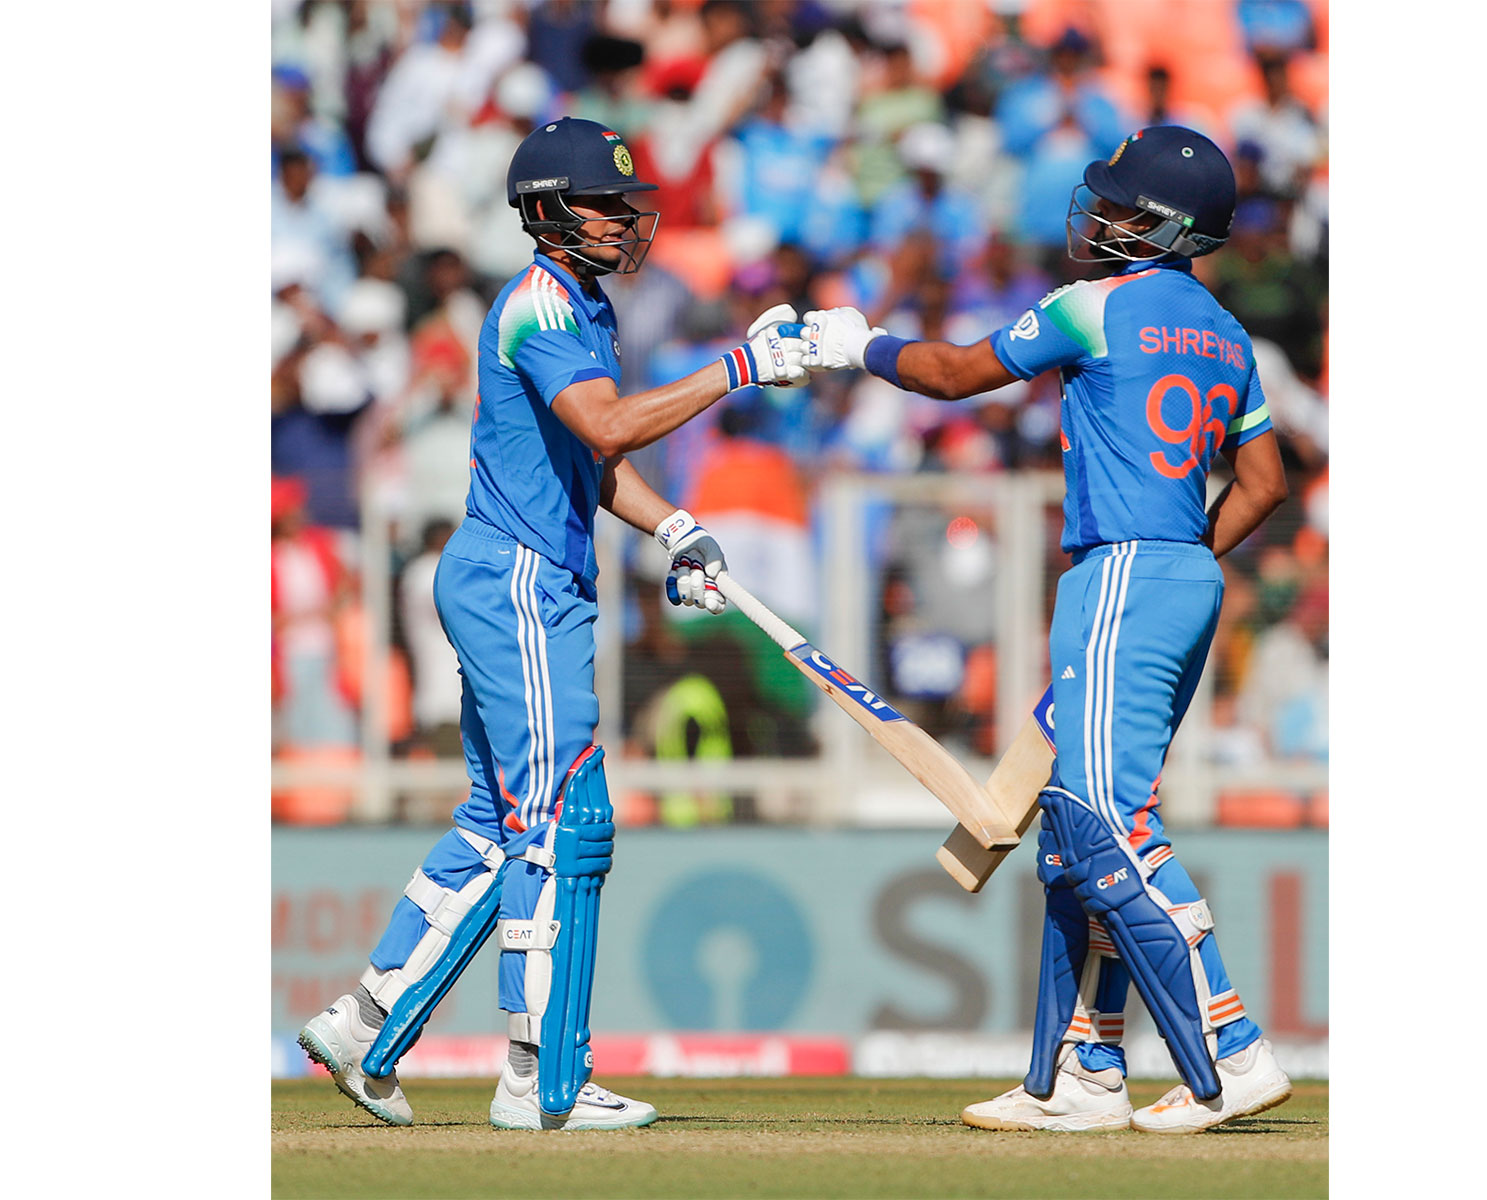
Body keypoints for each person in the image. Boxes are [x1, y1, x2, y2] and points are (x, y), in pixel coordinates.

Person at [297, 117, 808, 1132]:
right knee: (566, 819)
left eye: (627, 206)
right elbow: (608, 425)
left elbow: (593, 461)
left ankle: (364, 1024)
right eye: (603, 206)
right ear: (544, 211)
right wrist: (741, 367)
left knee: (496, 824)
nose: (625, 223)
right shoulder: (540, 307)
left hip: (522, 577)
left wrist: (673, 526)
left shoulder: (578, 306)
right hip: (520, 582)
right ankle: (540, 1080)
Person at [800, 126, 1292, 1134]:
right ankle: (1086, 1068)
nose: (1099, 218)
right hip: (1178, 573)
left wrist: (857, 345)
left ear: (1156, 225)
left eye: (1118, 206)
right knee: (1073, 836)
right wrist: (1187, 551)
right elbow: (1266, 483)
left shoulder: (1094, 308)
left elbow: (948, 375)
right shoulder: (1228, 335)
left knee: (1108, 824)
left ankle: (1232, 1049)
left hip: (1117, 571)